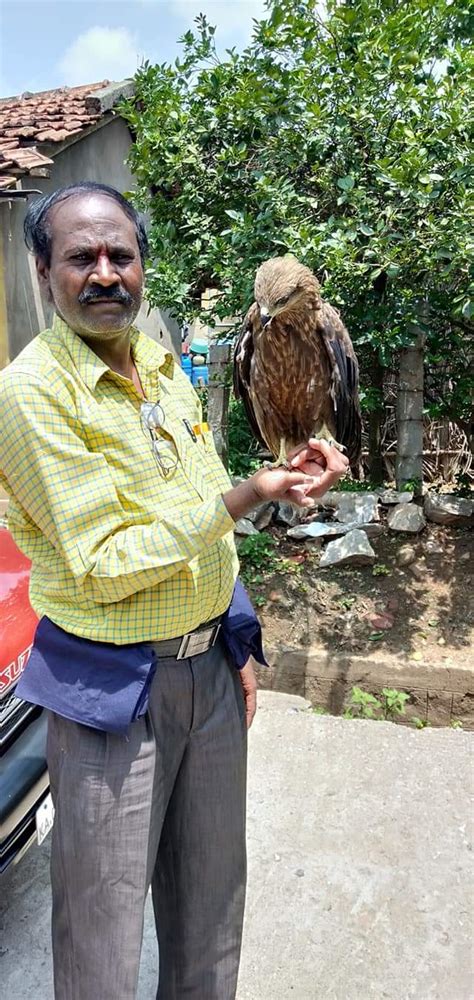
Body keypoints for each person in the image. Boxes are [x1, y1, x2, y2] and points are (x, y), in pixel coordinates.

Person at [0, 182, 348, 1000]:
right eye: (81, 257)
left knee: (211, 910)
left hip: (209, 677)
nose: (105, 273)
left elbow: (199, 511)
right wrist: (249, 495)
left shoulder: (160, 364)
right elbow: (107, 559)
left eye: (121, 254)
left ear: (143, 266)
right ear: (43, 269)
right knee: (103, 937)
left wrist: (238, 632)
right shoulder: (31, 394)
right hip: (110, 691)